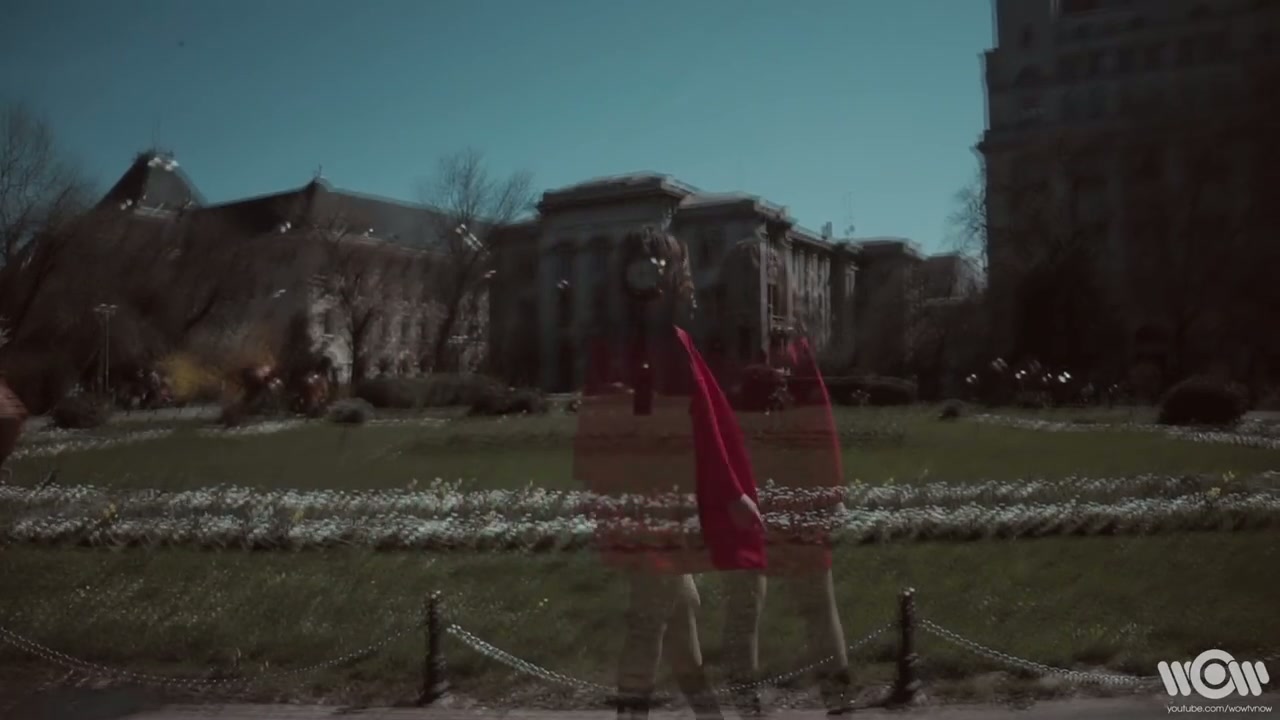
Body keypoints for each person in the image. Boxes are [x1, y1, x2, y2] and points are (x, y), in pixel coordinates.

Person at [574, 227, 766, 720]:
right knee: (649, 621)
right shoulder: (665, 343)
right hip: (660, 503)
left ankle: (708, 714)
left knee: (680, 610)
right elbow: (701, 425)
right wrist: (732, 495)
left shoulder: (617, 342)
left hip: (635, 499)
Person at [723, 325, 858, 716]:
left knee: (748, 609)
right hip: (787, 498)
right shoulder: (801, 367)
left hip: (758, 496)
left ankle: (749, 707)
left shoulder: (748, 365)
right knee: (811, 608)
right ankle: (838, 703)